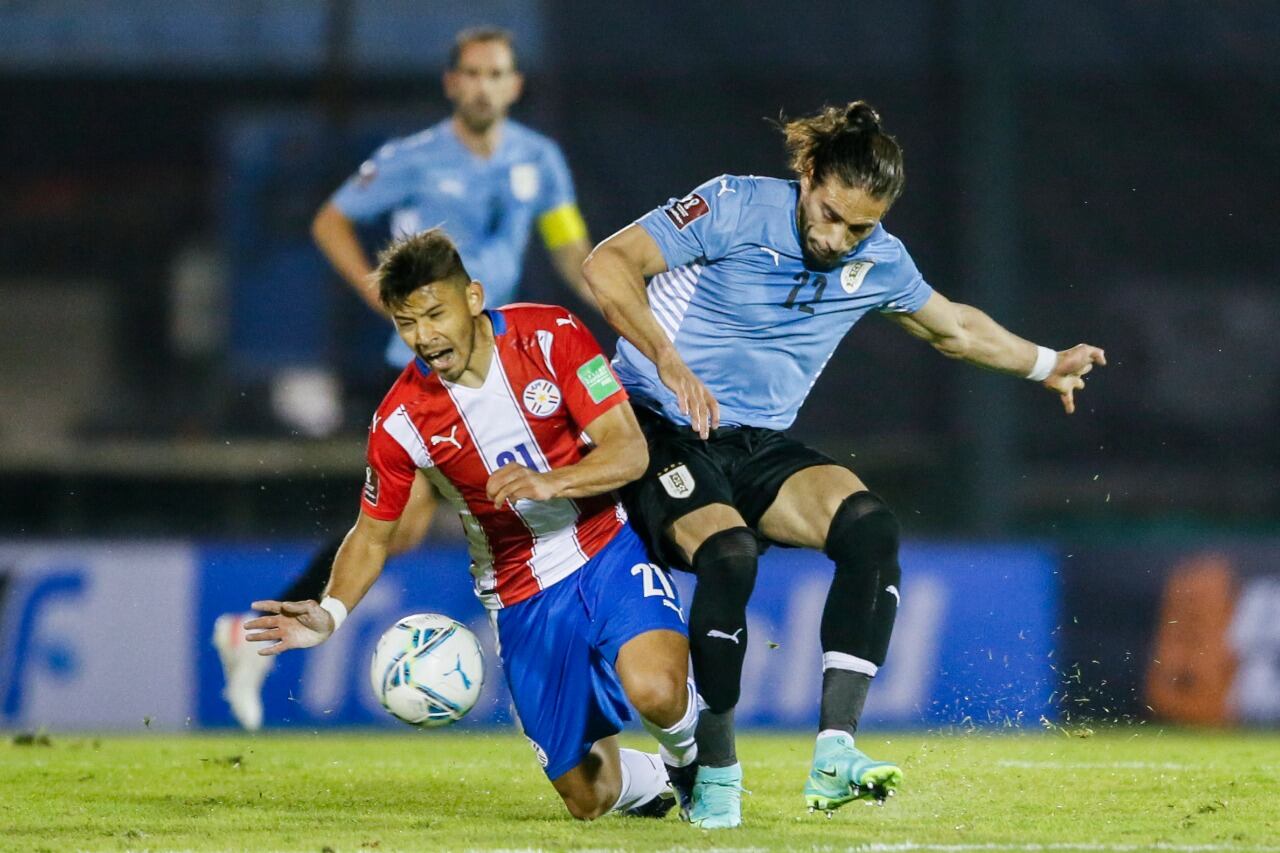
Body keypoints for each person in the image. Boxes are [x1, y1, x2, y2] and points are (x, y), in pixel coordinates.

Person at [581, 101, 1106, 828]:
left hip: (757, 442)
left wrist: (1046, 364)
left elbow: (953, 327)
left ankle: (835, 751)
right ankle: (714, 767)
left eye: (858, 226)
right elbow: (607, 262)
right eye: (829, 214)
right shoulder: (735, 203)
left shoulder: (878, 257)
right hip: (659, 424)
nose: (837, 239)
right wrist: (667, 359)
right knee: (729, 555)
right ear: (807, 174)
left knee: (869, 528)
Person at [213, 26, 596, 730]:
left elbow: (570, 246)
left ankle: (255, 635)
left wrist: (617, 303)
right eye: (472, 73)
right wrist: (381, 298)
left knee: (409, 528)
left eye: (497, 74)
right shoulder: (412, 158)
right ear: (453, 83)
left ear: (514, 85)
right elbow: (332, 220)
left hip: (499, 358)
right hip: (434, 368)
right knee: (405, 523)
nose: (484, 85)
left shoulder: (540, 160)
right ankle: (565, 673)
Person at [244, 230, 697, 821]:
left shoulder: (550, 335)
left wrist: (550, 482)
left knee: (656, 691)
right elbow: (373, 533)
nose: (424, 337)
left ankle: (700, 768)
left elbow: (628, 451)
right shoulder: (401, 419)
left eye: (435, 314)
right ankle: (658, 774)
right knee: (590, 798)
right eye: (407, 324)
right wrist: (330, 612)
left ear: (474, 297)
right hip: (520, 595)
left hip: (604, 547)